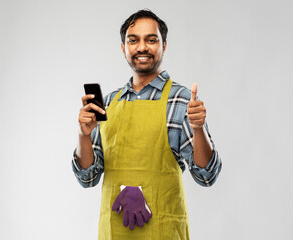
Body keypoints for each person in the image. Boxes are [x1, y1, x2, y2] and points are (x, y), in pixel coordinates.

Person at [72, 9, 222, 240]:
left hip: (163, 230)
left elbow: (206, 176)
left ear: (164, 46)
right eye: (134, 40)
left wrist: (198, 128)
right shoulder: (108, 103)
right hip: (115, 232)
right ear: (124, 48)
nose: (142, 47)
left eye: (151, 40)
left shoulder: (181, 100)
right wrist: (83, 135)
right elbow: (88, 178)